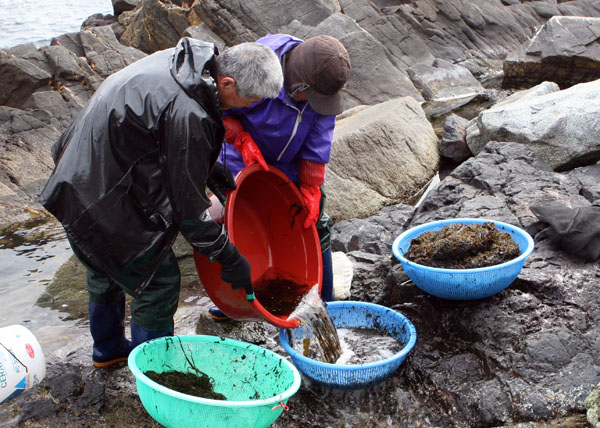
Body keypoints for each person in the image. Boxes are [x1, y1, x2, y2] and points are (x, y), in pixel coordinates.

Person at [39, 37, 284, 367]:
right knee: (158, 282)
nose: (245, 108)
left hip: (75, 176)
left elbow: (157, 132)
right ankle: (157, 376)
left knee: (104, 267)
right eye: (247, 99)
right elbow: (191, 215)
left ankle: (108, 352)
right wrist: (230, 257)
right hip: (99, 193)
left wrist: (212, 170)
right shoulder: (190, 112)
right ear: (227, 82)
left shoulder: (185, 63)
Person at [208, 33, 351, 320]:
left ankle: (324, 306)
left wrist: (311, 185)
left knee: (314, 223)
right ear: (298, 85)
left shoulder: (322, 78)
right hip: (246, 158)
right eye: (309, 98)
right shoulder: (259, 66)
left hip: (292, 163)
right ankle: (239, 299)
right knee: (243, 224)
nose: (312, 103)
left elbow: (320, 133)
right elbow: (217, 106)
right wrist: (239, 138)